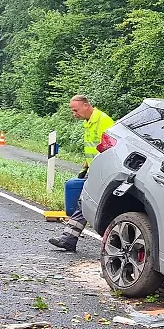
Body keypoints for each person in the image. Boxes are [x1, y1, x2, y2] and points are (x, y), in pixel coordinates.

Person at [49, 95, 115, 252]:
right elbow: (93, 148)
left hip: (104, 172)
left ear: (86, 106)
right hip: (94, 170)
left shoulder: (104, 121)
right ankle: (69, 239)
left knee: (87, 203)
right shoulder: (89, 122)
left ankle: (71, 239)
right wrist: (85, 168)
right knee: (85, 203)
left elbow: (112, 149)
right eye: (72, 111)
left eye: (75, 110)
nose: (74, 114)